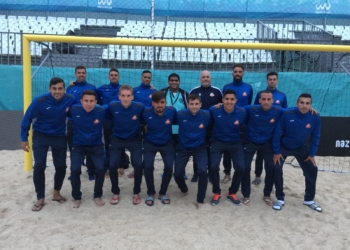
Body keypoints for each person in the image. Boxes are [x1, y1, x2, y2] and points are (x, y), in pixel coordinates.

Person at [21, 77, 74, 211]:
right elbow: (27, 118)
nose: (57, 91)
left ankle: (56, 193)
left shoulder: (70, 99)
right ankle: (40, 197)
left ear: (64, 89)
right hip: (41, 135)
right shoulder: (39, 101)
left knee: (61, 166)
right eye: (54, 89)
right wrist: (24, 138)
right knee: (39, 165)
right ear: (49, 89)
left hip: (59, 136)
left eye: (60, 88)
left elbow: (83, 106)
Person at [272, 93, 322, 212]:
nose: (304, 106)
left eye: (307, 103)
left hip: (300, 147)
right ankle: (280, 198)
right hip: (284, 146)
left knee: (312, 169)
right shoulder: (286, 114)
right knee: (276, 168)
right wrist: (276, 151)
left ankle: (309, 199)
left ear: (310, 105)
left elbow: (316, 136)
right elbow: (277, 134)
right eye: (302, 103)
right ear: (296, 104)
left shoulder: (315, 116)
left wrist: (311, 154)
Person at [240, 90, 283, 206]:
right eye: (263, 99)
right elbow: (234, 108)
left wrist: (309, 110)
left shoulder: (277, 110)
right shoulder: (251, 109)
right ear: (259, 100)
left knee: (271, 168)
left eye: (268, 99)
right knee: (245, 167)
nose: (266, 102)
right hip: (250, 142)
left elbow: (293, 111)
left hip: (267, 143)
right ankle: (246, 195)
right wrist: (220, 105)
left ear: (272, 101)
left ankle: (267, 194)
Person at [209, 89, 247, 206]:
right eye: (227, 99)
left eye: (232, 99)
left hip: (234, 143)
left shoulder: (242, 112)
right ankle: (216, 192)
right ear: (222, 100)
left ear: (236, 100)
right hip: (217, 142)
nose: (229, 101)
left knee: (241, 168)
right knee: (213, 167)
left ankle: (232, 192)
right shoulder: (214, 110)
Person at [108, 85, 144, 205]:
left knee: (138, 164)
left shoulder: (139, 107)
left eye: (128, 96)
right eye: (123, 95)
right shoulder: (113, 106)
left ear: (132, 97)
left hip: (134, 139)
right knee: (112, 164)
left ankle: (136, 192)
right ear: (119, 96)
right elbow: (100, 112)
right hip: (117, 138)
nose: (125, 98)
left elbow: (150, 115)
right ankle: (115, 192)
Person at [69, 90, 106, 208]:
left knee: (100, 169)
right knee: (74, 170)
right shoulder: (74, 110)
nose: (88, 104)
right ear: (81, 101)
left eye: (91, 101)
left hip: (96, 145)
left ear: (96, 101)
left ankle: (97, 195)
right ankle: (77, 196)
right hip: (78, 145)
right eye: (86, 101)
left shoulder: (101, 111)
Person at [174, 94, 211, 209]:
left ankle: (200, 200)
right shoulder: (180, 114)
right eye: (191, 104)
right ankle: (184, 189)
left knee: (202, 171)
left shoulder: (206, 114)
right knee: (177, 173)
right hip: (183, 147)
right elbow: (166, 120)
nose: (194, 106)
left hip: (200, 147)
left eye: (196, 104)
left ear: (200, 104)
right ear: (188, 104)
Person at [252, 71, 288, 185]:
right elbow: (255, 109)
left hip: (275, 129)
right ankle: (257, 176)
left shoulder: (282, 95)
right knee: (259, 154)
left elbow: (285, 112)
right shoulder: (260, 94)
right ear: (266, 81)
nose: (272, 81)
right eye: (270, 79)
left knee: (272, 154)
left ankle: (271, 176)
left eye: (274, 79)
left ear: (277, 81)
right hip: (261, 128)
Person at [142, 91, 177, 206]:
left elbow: (177, 124)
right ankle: (151, 193)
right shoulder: (146, 113)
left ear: (166, 103)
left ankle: (162, 193)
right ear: (152, 103)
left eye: (162, 102)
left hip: (166, 143)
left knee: (168, 166)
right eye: (157, 103)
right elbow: (139, 124)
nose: (159, 105)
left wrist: (175, 140)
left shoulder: (172, 111)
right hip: (150, 143)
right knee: (147, 166)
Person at [221, 64, 253, 184]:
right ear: (232, 73)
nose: (238, 73)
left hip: (243, 123)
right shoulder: (226, 87)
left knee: (241, 149)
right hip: (228, 121)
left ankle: (241, 172)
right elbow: (223, 103)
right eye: (235, 71)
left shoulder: (248, 88)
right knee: (227, 150)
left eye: (240, 71)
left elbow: (249, 105)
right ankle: (227, 173)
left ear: (243, 73)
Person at [189, 70, 222, 183]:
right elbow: (189, 107)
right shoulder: (194, 91)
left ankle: (210, 174)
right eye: (203, 77)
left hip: (213, 127)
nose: (206, 79)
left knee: (210, 151)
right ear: (200, 79)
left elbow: (223, 105)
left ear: (211, 78)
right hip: (197, 127)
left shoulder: (217, 91)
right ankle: (196, 173)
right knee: (196, 149)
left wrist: (220, 104)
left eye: (208, 77)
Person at [96, 68, 129, 177]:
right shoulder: (103, 88)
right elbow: (94, 96)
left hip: (121, 120)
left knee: (121, 143)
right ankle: (110, 167)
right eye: (112, 75)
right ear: (109, 77)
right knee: (108, 143)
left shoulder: (123, 89)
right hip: (107, 120)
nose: (114, 76)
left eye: (115, 75)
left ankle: (120, 166)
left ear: (118, 77)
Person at [66, 65, 97, 181]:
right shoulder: (70, 88)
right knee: (73, 147)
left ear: (86, 74)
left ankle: (91, 171)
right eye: (79, 73)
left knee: (90, 146)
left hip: (88, 122)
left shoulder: (92, 88)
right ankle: (74, 171)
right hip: (73, 122)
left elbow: (98, 103)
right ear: (75, 74)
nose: (81, 74)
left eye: (83, 72)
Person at [161, 73, 189, 179]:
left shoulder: (185, 94)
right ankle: (166, 172)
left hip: (180, 129)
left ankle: (181, 172)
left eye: (176, 80)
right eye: (172, 80)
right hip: (166, 128)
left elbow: (188, 110)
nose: (174, 82)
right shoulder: (162, 92)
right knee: (167, 152)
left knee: (181, 151)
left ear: (179, 82)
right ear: (168, 82)